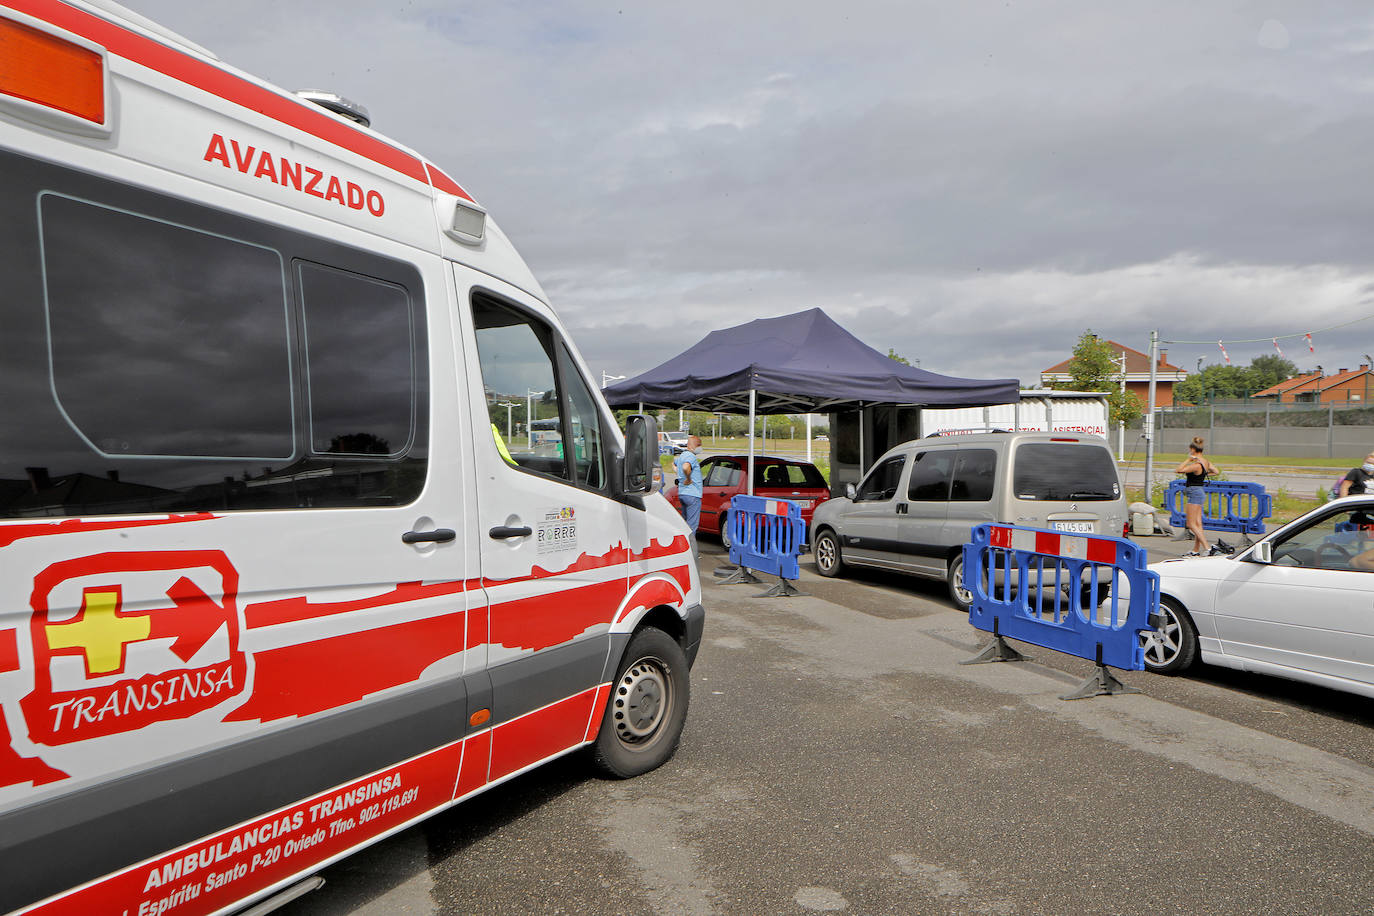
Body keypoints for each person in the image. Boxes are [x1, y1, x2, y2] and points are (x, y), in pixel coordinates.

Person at [1175, 436, 1218, 557]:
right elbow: (1216, 471)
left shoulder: (1196, 465)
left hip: (1194, 493)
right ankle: (1195, 550)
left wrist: (1188, 460)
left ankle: (1207, 548)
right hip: (1199, 491)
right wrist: (1203, 475)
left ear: (1193, 450)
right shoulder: (1206, 462)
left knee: (1191, 524)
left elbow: (1178, 470)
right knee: (1198, 524)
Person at [674, 435, 704, 550]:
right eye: (700, 446)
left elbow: (674, 464)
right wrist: (688, 478)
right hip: (693, 494)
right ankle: (690, 551)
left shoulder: (682, 455)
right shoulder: (691, 456)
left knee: (685, 524)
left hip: (682, 492)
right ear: (696, 446)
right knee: (692, 525)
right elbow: (686, 467)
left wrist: (679, 474)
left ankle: (682, 548)